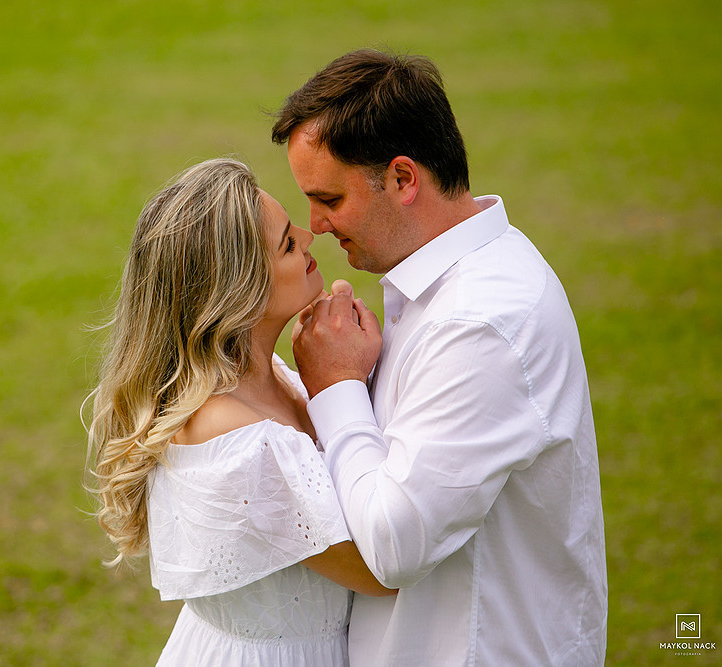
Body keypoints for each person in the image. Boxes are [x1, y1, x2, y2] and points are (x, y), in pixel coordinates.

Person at [270, 50, 608, 665]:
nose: (314, 224)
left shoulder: (481, 319)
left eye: (329, 199)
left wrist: (337, 387)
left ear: (403, 179)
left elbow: (396, 544)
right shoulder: (442, 282)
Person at [84, 157, 395, 666]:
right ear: (241, 290)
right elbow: (383, 569)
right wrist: (342, 385)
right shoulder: (235, 439)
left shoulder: (273, 375)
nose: (308, 234)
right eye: (288, 244)